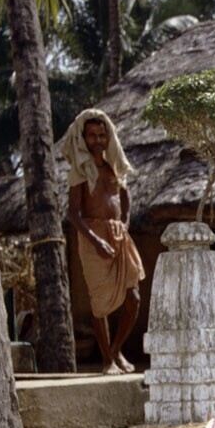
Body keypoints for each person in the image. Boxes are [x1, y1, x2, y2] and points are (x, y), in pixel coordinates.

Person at [60, 108, 145, 374]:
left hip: (118, 234)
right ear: (83, 138)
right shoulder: (80, 172)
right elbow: (73, 214)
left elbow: (126, 198)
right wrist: (97, 241)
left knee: (133, 298)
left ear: (108, 137)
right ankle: (107, 360)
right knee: (100, 304)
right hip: (92, 236)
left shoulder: (114, 167)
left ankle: (116, 349)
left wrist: (125, 225)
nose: (97, 140)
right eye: (91, 136)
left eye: (101, 135)